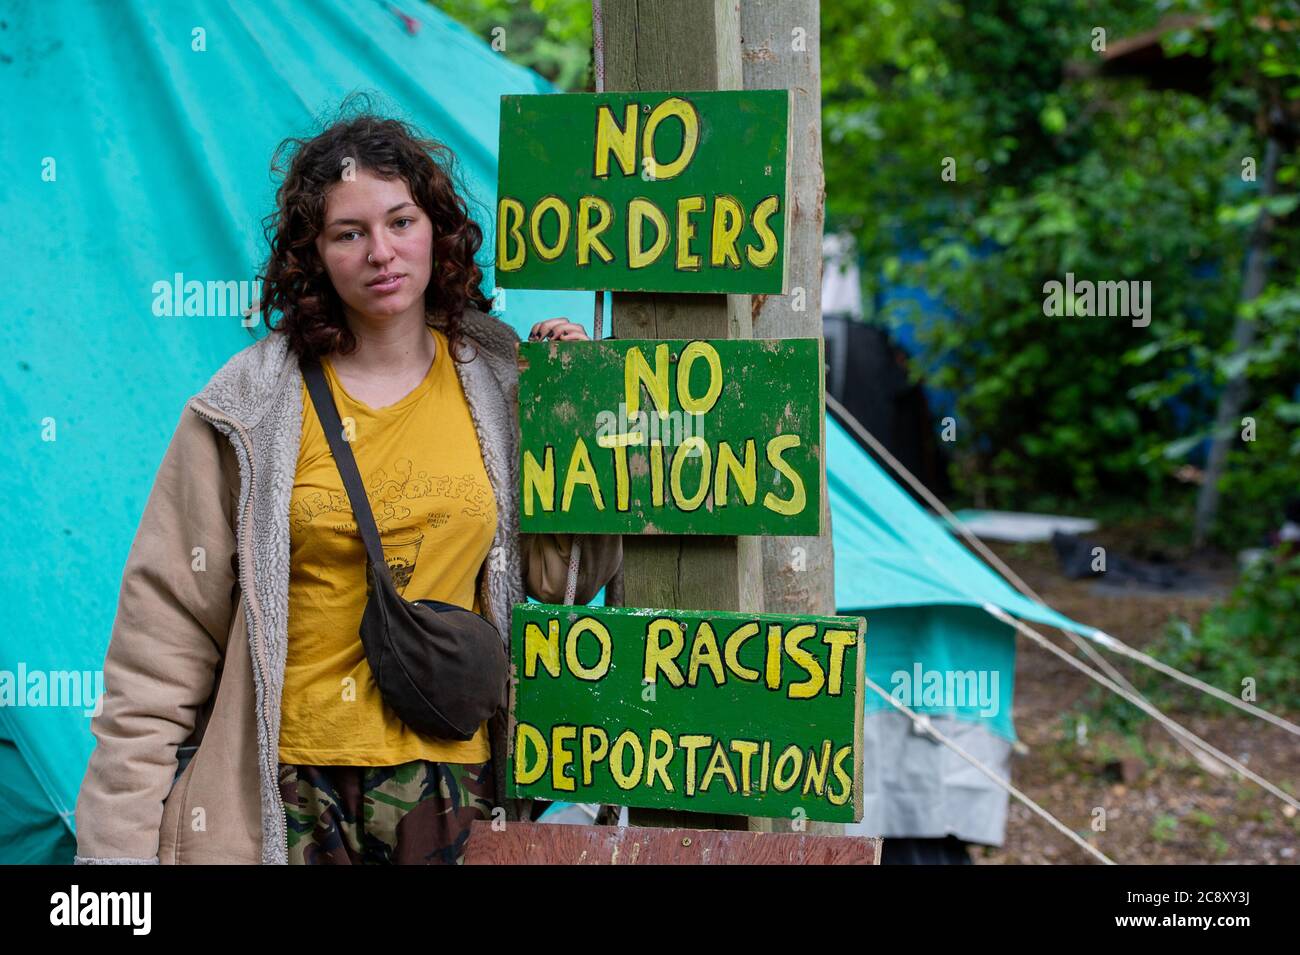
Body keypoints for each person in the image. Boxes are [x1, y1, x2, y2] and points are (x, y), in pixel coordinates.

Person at [73, 108, 622, 865]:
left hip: (454, 789)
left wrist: (575, 412)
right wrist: (114, 863)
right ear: (316, 254)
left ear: (438, 227)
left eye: (401, 221)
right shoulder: (245, 409)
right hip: (290, 793)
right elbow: (157, 651)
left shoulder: (500, 384)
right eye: (348, 233)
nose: (382, 253)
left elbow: (564, 579)